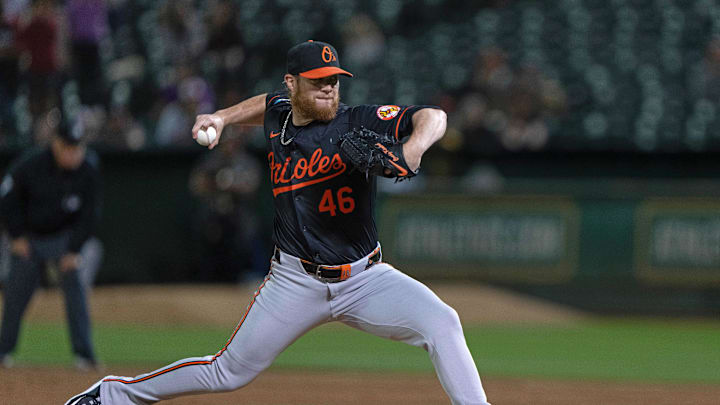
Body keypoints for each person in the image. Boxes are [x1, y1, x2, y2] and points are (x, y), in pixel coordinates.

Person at [66, 40, 491, 405]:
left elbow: (434, 116)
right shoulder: (280, 115)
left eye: (333, 80)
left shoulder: (357, 120)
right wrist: (222, 118)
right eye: (317, 80)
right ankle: (113, 394)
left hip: (365, 278)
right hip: (295, 282)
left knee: (443, 322)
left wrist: (413, 149)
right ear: (292, 84)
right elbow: (265, 106)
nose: (328, 88)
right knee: (227, 372)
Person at [0, 110, 101, 370]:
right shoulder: (31, 164)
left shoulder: (88, 170)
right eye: (67, 147)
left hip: (64, 240)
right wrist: (17, 236)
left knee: (75, 288)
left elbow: (89, 216)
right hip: (30, 239)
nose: (72, 153)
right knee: (15, 294)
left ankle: (84, 355)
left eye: (77, 148)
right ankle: (3, 351)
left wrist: (74, 249)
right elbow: (7, 199)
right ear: (56, 143)